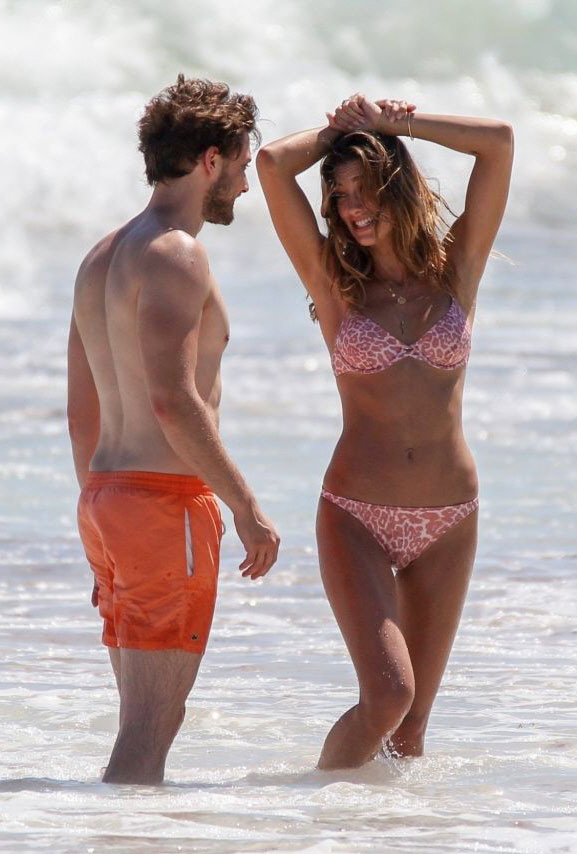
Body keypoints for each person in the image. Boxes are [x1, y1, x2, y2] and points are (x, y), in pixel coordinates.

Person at [257, 94, 513, 769]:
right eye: (338, 195)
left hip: (449, 518)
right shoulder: (334, 284)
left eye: (363, 187)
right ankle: (312, 810)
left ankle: (382, 825)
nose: (350, 207)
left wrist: (396, 124)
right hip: (357, 515)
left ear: (396, 184)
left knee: (411, 730)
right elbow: (271, 163)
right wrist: (341, 131)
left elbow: (498, 143)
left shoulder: (455, 273)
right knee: (388, 696)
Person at [67, 75, 280, 785]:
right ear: (211, 160)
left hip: (106, 496)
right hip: (162, 503)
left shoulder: (101, 257)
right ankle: (121, 833)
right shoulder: (176, 253)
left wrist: (102, 514)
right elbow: (173, 400)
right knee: (150, 728)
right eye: (242, 166)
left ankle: (114, 831)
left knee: (140, 720)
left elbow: (81, 409)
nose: (245, 185)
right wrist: (245, 507)